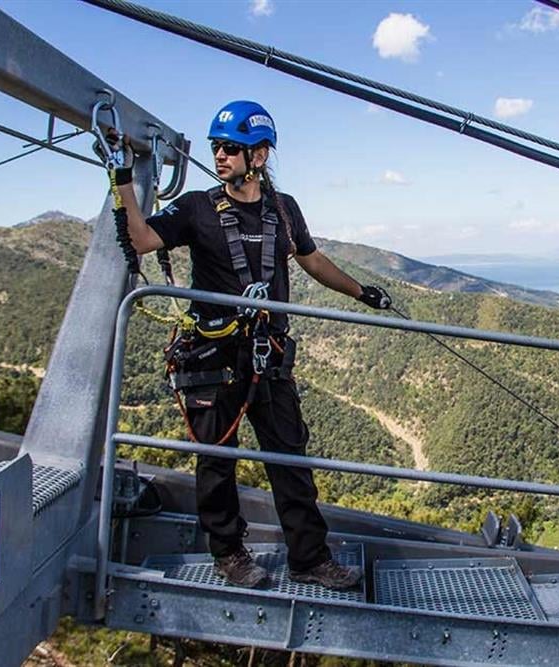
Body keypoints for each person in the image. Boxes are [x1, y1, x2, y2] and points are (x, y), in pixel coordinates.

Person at [102, 100, 391, 590]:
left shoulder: (283, 209)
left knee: (290, 458)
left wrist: (362, 292)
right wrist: (122, 177)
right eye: (217, 147)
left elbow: (312, 261)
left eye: (230, 149)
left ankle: (309, 558)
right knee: (216, 460)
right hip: (213, 357)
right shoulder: (196, 208)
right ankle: (229, 554)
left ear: (258, 155)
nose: (220, 156)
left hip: (268, 354)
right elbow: (143, 237)